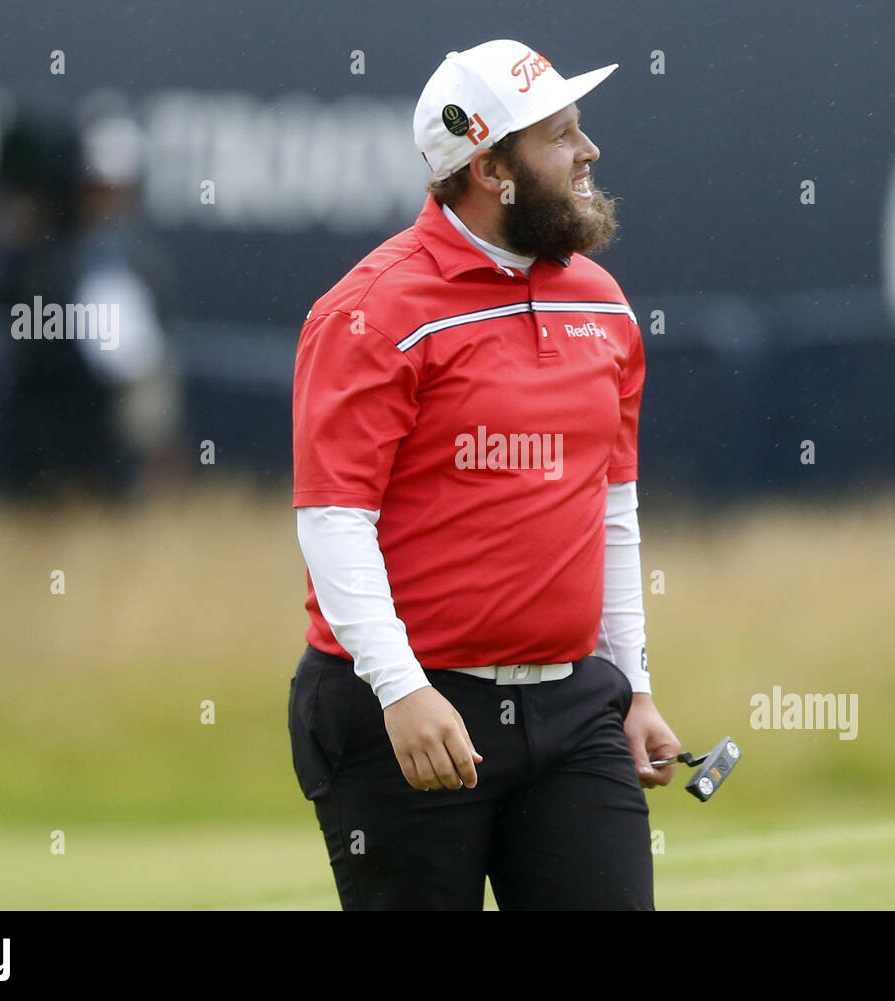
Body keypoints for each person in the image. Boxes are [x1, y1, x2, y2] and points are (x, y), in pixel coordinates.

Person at [288, 39, 681, 910]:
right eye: (561, 136)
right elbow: (334, 519)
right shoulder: (372, 309)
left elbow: (611, 512)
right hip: (410, 707)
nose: (590, 153)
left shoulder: (602, 303)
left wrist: (636, 684)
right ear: (491, 165)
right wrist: (402, 690)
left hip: (575, 705)